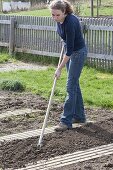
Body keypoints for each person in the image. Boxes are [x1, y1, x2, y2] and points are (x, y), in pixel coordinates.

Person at [49, 0, 87, 131]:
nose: (55, 18)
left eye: (57, 15)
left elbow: (70, 51)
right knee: (74, 84)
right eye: (53, 15)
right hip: (70, 52)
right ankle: (80, 116)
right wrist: (63, 40)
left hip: (77, 54)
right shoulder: (61, 21)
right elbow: (64, 38)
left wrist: (59, 68)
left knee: (70, 87)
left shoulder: (71, 22)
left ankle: (66, 121)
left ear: (64, 12)